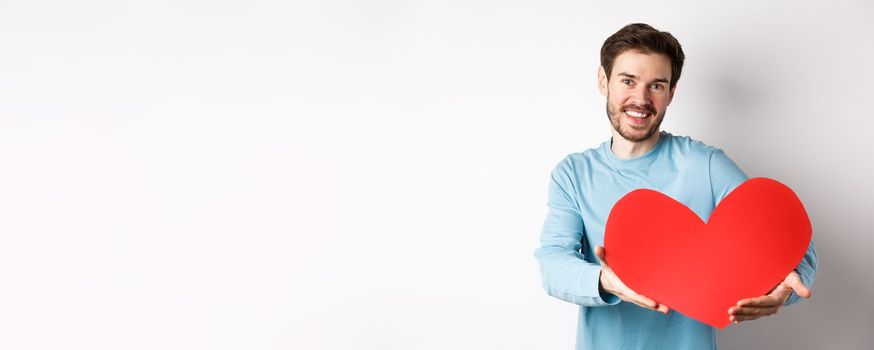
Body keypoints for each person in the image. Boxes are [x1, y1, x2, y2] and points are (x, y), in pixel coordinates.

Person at [533, 23, 818, 350]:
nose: (640, 99)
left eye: (656, 85)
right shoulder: (573, 173)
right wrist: (603, 281)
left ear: (672, 92)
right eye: (628, 81)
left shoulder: (706, 165)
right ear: (603, 81)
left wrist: (783, 289)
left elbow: (791, 245)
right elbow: (554, 262)